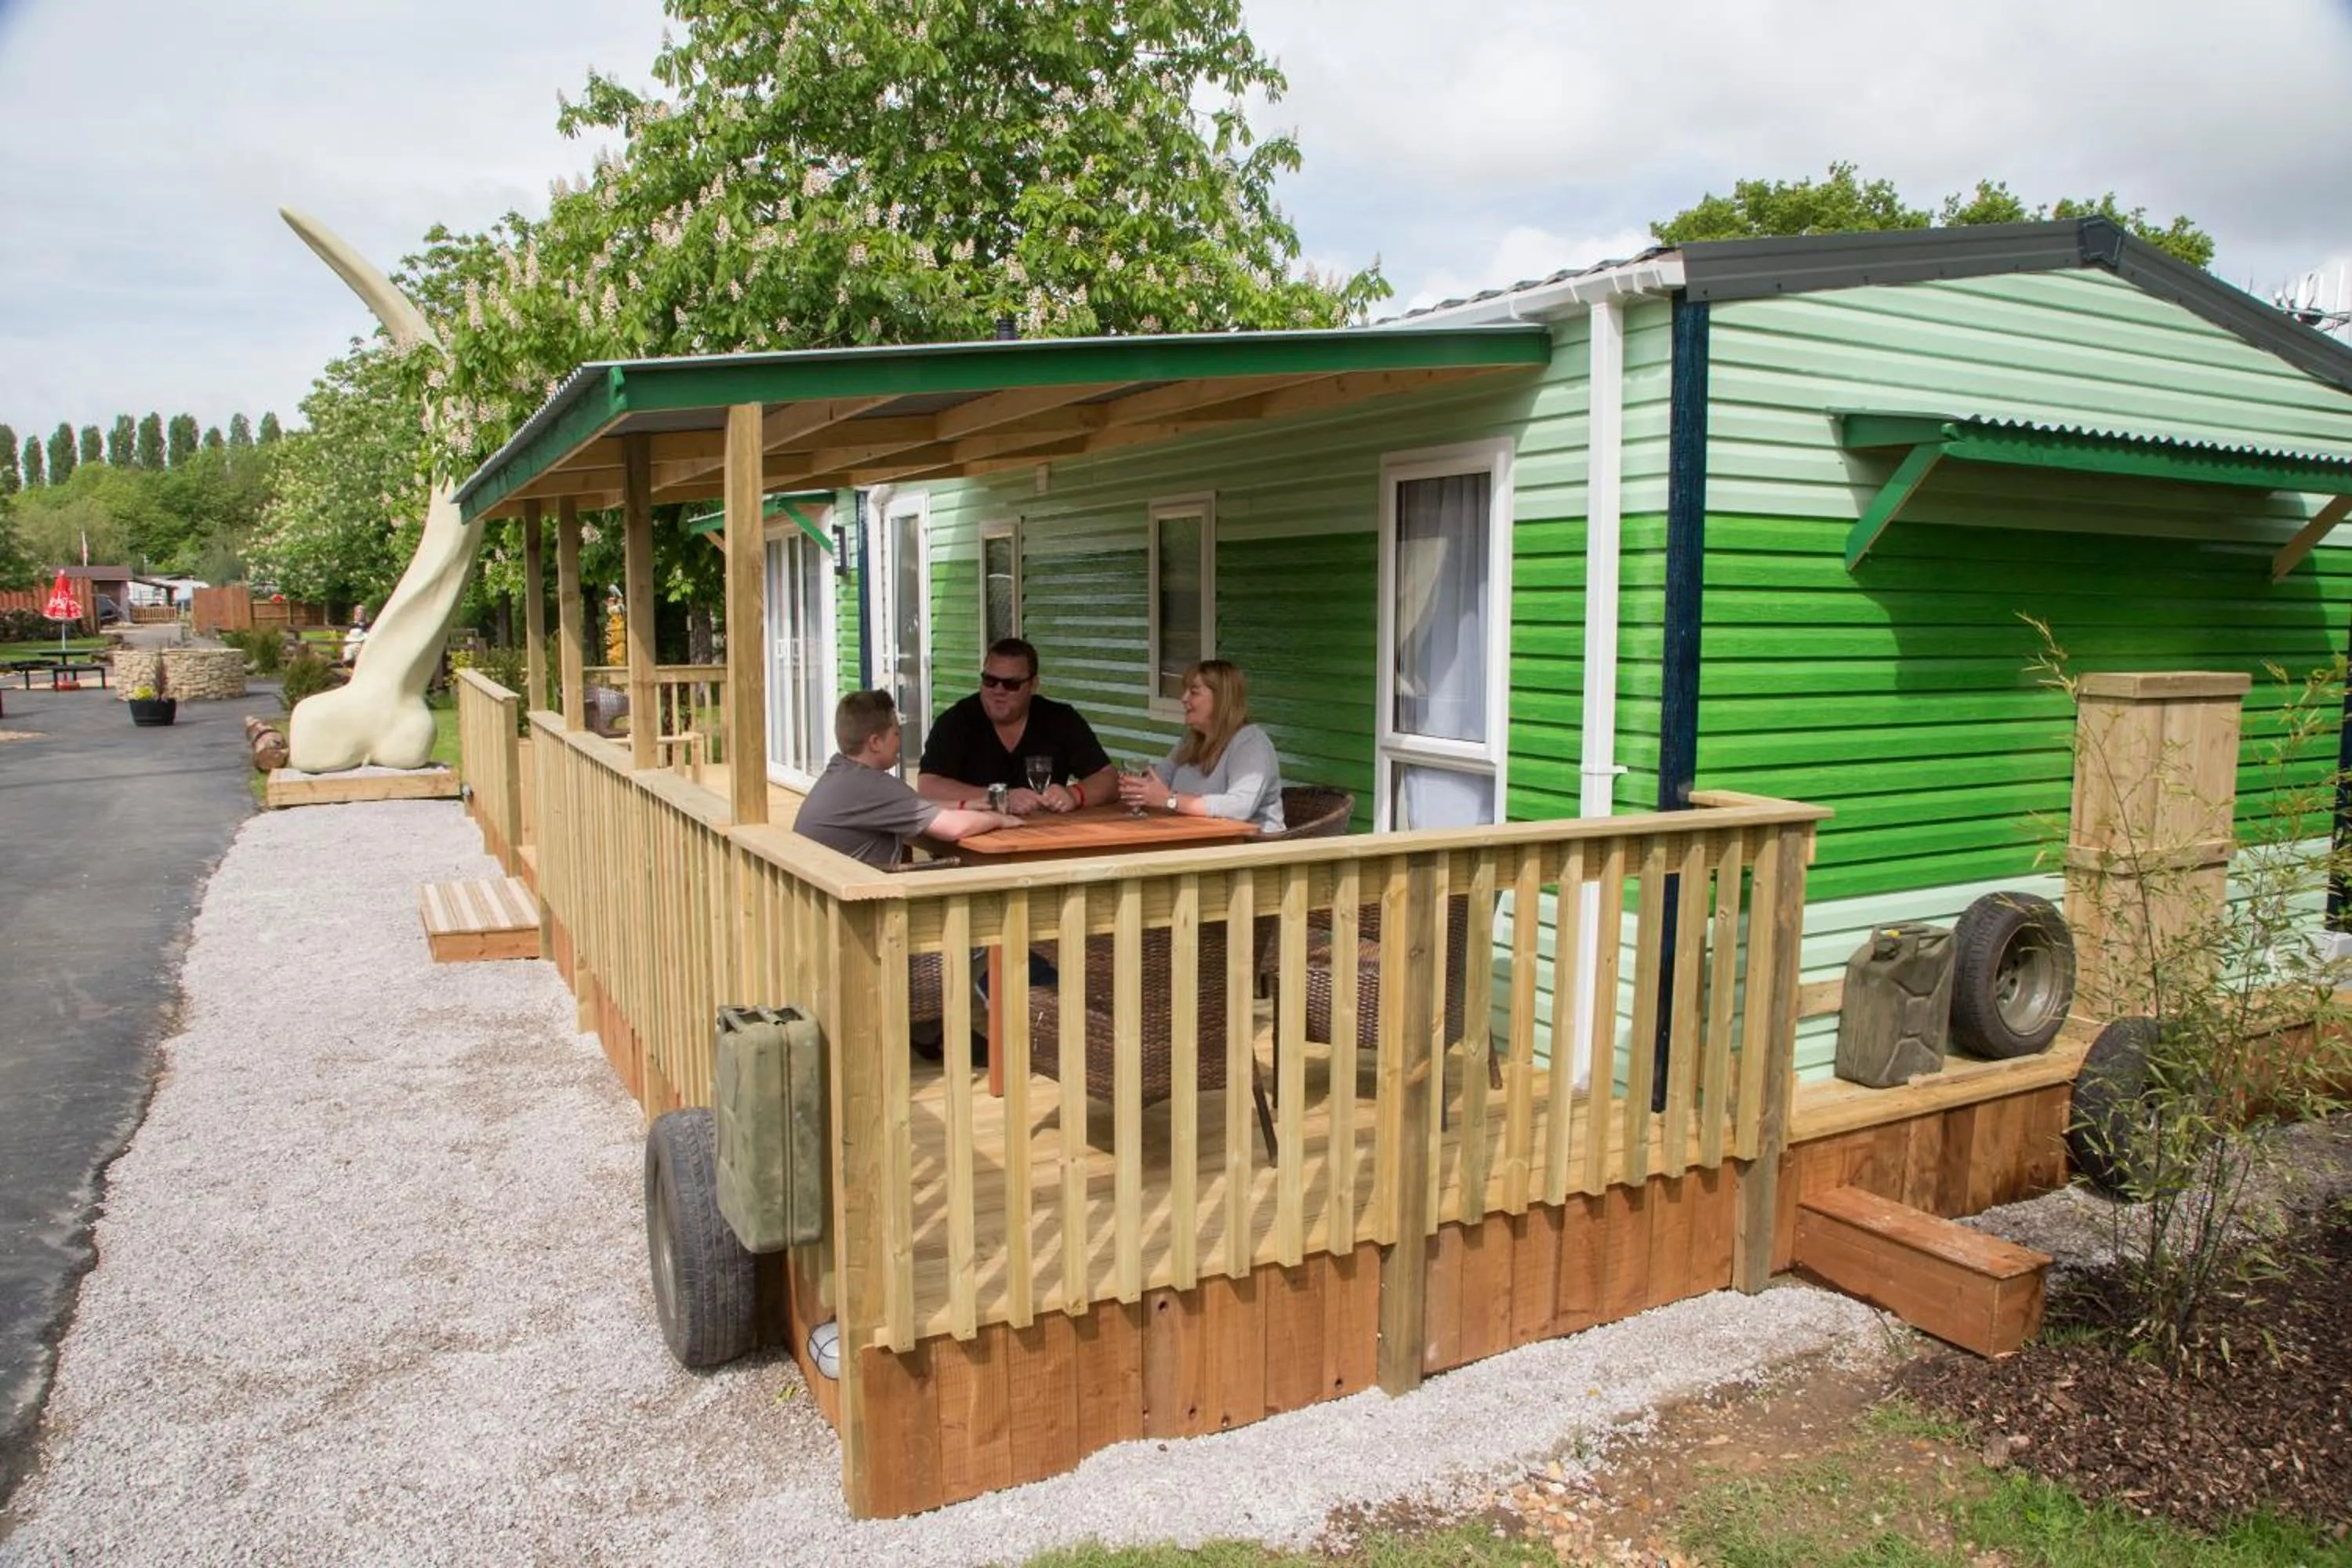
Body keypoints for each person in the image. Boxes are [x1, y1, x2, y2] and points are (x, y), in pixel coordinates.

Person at [794, 690, 1021, 869]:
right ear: (875, 742)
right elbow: (952, 828)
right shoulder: (876, 787)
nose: (899, 740)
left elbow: (910, 806)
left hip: (823, 899)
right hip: (855, 913)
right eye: (895, 733)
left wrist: (964, 805)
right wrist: (997, 819)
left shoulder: (842, 772)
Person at [916, 637, 1115, 816]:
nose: (998, 691)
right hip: (972, 839)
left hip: (1044, 837)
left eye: (1011, 684)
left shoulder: (1060, 719)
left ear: (1033, 685)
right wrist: (999, 798)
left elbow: (1108, 779)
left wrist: (1075, 794)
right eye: (990, 681)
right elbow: (928, 786)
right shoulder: (956, 721)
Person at [1119, 659, 1285, 833]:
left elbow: (1239, 808)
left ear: (1221, 698)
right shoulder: (1191, 741)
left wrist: (1170, 800)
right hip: (1194, 839)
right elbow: (1159, 783)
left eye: (1194, 692)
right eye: (1185, 691)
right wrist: (1139, 788)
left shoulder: (1251, 742)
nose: (1184, 699)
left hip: (1249, 849)